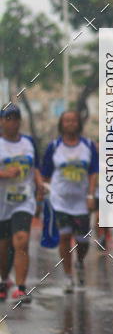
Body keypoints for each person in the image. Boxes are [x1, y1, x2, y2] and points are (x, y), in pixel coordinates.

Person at [41, 110, 99, 292]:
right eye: (66, 120)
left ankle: (80, 262)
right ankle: (68, 276)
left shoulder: (88, 146)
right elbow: (46, 175)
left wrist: (91, 195)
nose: (70, 123)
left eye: (73, 120)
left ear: (78, 123)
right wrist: (45, 196)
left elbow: (93, 173)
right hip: (60, 201)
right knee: (64, 236)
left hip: (82, 201)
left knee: (83, 240)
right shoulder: (54, 146)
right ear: (61, 124)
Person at [0, 103, 44, 302]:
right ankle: (3, 280)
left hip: (23, 200)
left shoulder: (28, 142)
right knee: (3, 245)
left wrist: (40, 184)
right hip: (2, 201)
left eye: (16, 118)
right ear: (1, 121)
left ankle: (21, 288)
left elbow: (34, 167)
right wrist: (4, 173)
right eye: (8, 118)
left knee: (21, 240)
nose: (12, 122)